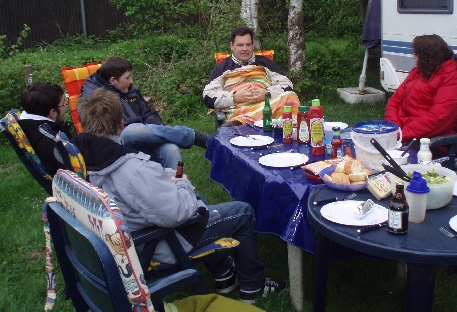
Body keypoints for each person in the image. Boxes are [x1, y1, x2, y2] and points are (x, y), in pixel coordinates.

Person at [72, 88, 286, 304]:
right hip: (160, 242)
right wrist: (182, 183)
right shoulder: (131, 169)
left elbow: (144, 187)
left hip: (133, 232)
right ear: (121, 123)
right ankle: (253, 287)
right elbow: (177, 213)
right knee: (243, 212)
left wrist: (168, 178)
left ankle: (224, 274)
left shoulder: (86, 158)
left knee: (200, 201)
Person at [81, 56, 211, 170]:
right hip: (118, 145)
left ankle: (178, 187)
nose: (131, 81)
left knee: (171, 150)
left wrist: (158, 128)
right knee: (131, 130)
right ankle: (196, 137)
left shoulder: (129, 90)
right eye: (127, 77)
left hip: (142, 140)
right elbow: (104, 130)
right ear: (113, 80)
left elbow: (148, 114)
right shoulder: (96, 97)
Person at [203, 26, 300, 126]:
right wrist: (235, 97)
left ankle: (243, 121)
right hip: (239, 110)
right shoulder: (222, 68)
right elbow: (208, 96)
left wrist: (267, 93)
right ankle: (247, 120)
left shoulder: (265, 63)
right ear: (232, 46)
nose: (245, 49)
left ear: (253, 45)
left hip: (266, 106)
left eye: (248, 44)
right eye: (240, 45)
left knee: (291, 96)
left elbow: (287, 86)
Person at [384, 34, 457, 144]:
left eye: (416, 54)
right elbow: (394, 102)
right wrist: (394, 128)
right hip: (403, 133)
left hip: (428, 142)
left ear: (427, 56)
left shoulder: (452, 80)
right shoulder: (418, 72)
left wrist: (401, 135)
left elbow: (437, 119)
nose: (414, 57)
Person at [18, 82, 75, 176]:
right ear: (53, 113)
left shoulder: (30, 126)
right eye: (63, 104)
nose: (65, 106)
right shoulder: (51, 141)